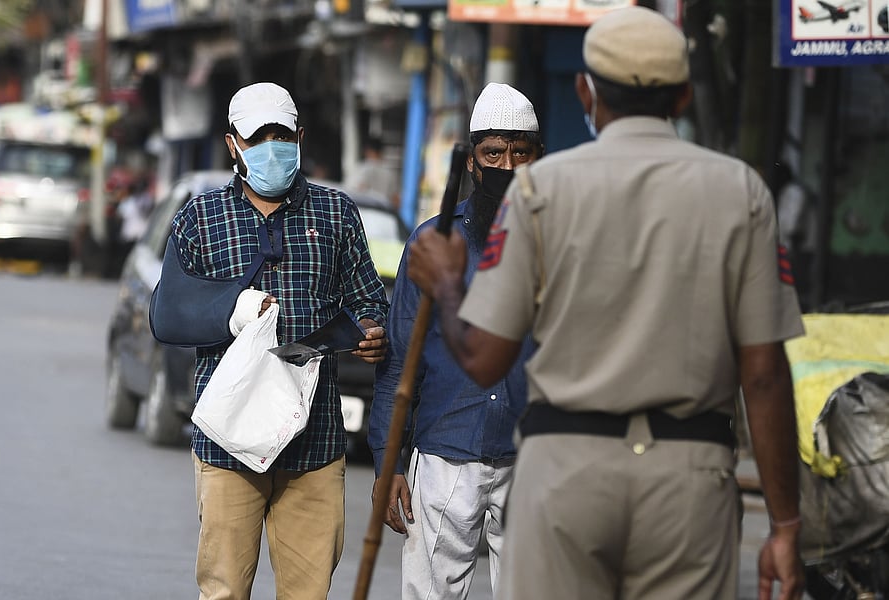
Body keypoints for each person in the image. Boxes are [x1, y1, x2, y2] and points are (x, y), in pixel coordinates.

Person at [406, 8, 806, 600]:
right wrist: (786, 525)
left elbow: (484, 357)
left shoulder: (540, 192)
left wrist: (446, 286)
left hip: (567, 472)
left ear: (585, 91)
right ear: (685, 95)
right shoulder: (741, 193)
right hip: (689, 477)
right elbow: (766, 375)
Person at [150, 81, 389, 600]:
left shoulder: (337, 214)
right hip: (229, 443)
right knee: (224, 592)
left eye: (281, 135)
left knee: (308, 593)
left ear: (300, 137)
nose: (272, 147)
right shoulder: (200, 218)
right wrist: (231, 312)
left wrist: (372, 334)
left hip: (316, 444)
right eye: (258, 137)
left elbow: (372, 303)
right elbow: (167, 315)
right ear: (233, 143)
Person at [368, 82, 544, 599]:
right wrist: (389, 462)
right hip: (445, 456)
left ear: (539, 159)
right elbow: (399, 365)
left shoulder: (561, 240)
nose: (506, 166)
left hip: (531, 458)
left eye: (520, 154)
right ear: (472, 162)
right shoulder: (431, 244)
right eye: (493, 153)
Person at [345, 135, 400, 209]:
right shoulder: (389, 173)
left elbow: (353, 192)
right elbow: (396, 201)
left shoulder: (362, 169)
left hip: (366, 213)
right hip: (383, 214)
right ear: (381, 151)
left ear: (367, 151)